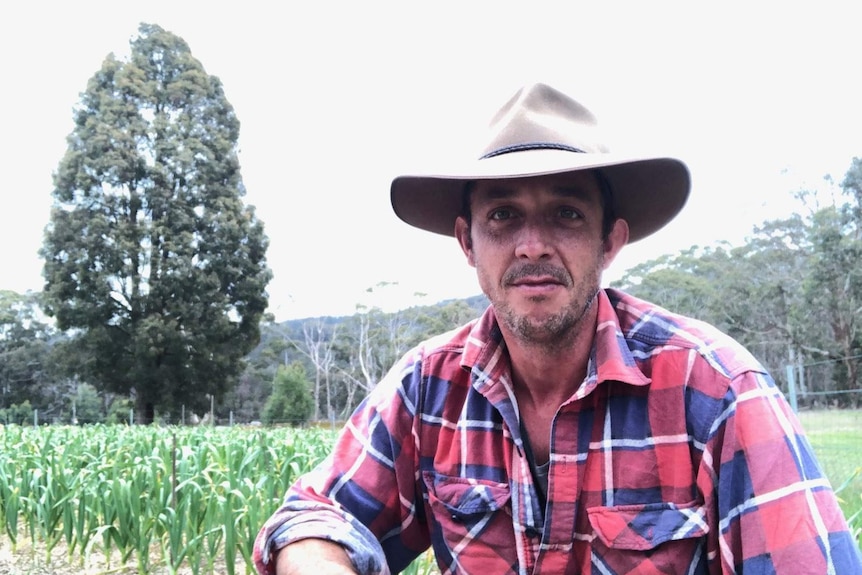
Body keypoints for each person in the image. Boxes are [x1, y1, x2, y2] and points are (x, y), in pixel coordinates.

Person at [253, 83, 862, 574]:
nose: (533, 245)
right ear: (469, 242)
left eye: (566, 213)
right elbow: (317, 515)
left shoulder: (716, 389)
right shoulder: (428, 386)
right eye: (503, 215)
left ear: (610, 241)